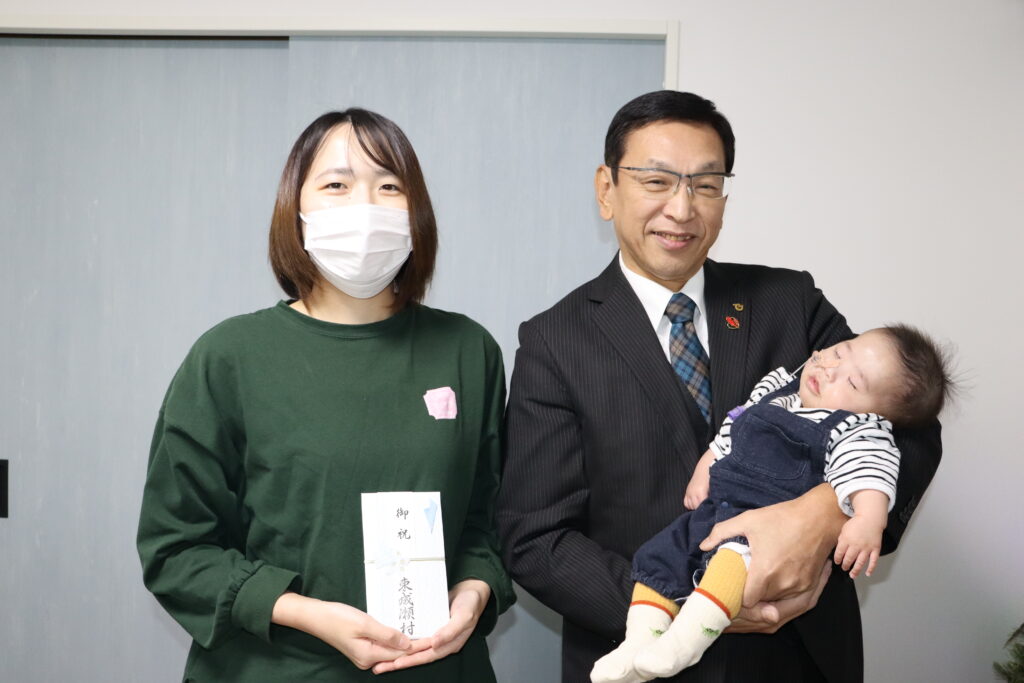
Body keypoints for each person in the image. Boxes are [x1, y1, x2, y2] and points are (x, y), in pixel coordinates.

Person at [496, 90, 942, 683]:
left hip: (799, 659)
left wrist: (822, 514)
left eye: (705, 185)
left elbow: (911, 429)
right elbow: (535, 537)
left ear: (724, 199)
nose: (682, 209)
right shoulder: (554, 341)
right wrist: (685, 608)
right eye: (657, 181)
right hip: (645, 663)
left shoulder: (790, 302)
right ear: (607, 189)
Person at [137, 109, 514, 682]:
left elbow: (492, 520)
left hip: (436, 667)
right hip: (270, 669)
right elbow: (175, 549)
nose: (365, 206)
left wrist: (475, 590)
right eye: (337, 185)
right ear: (296, 210)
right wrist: (305, 613)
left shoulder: (468, 351)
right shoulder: (228, 356)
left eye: (389, 186)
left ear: (417, 213)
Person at [592, 325, 953, 682]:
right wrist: (706, 465)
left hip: (761, 535)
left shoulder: (856, 430)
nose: (830, 369)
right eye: (838, 352)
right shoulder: (778, 390)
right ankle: (638, 642)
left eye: (853, 383)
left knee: (730, 567)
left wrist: (866, 519)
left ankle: (681, 646)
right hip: (713, 513)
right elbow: (734, 427)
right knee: (660, 557)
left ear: (874, 415)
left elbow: (872, 474)